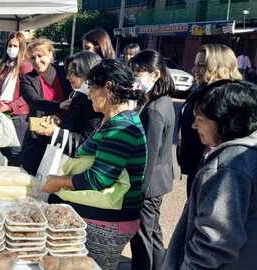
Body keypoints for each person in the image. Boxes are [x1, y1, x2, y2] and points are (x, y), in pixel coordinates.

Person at [41, 59, 147, 270]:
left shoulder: (123, 127)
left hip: (109, 222)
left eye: (91, 88)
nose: (88, 94)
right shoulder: (110, 120)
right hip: (98, 216)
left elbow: (100, 178)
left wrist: (58, 182)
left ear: (107, 88)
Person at [164, 80, 257, 269]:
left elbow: (215, 242)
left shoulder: (227, 167)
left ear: (225, 121)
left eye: (200, 119)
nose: (193, 126)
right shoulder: (248, 155)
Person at [128, 50, 176, 270]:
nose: (135, 76)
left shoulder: (155, 109)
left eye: (139, 72)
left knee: (143, 235)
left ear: (155, 74)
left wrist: (138, 190)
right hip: (158, 181)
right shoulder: (158, 101)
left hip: (149, 185)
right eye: (134, 71)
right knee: (153, 232)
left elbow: (149, 154)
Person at [177, 44, 243, 196]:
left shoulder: (228, 99)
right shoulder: (201, 91)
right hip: (196, 168)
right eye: (195, 65)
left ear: (219, 66)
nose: (195, 70)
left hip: (212, 171)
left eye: (201, 65)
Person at [37, 51, 103, 156]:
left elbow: (88, 142)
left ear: (86, 71)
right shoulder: (80, 96)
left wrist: (56, 132)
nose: (67, 77)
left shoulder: (96, 103)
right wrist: (58, 122)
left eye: (72, 72)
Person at [20, 38, 70, 175]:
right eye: (32, 57)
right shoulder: (27, 79)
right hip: (38, 136)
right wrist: (59, 106)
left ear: (51, 55)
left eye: (40, 56)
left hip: (63, 136)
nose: (36, 61)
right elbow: (35, 101)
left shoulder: (64, 74)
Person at [0, 32, 33, 165]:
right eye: (10, 45)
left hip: (17, 115)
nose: (12, 48)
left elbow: (28, 94)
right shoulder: (4, 65)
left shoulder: (25, 66)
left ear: (21, 48)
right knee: (2, 149)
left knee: (15, 151)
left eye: (15, 46)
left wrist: (10, 106)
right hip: (0, 113)